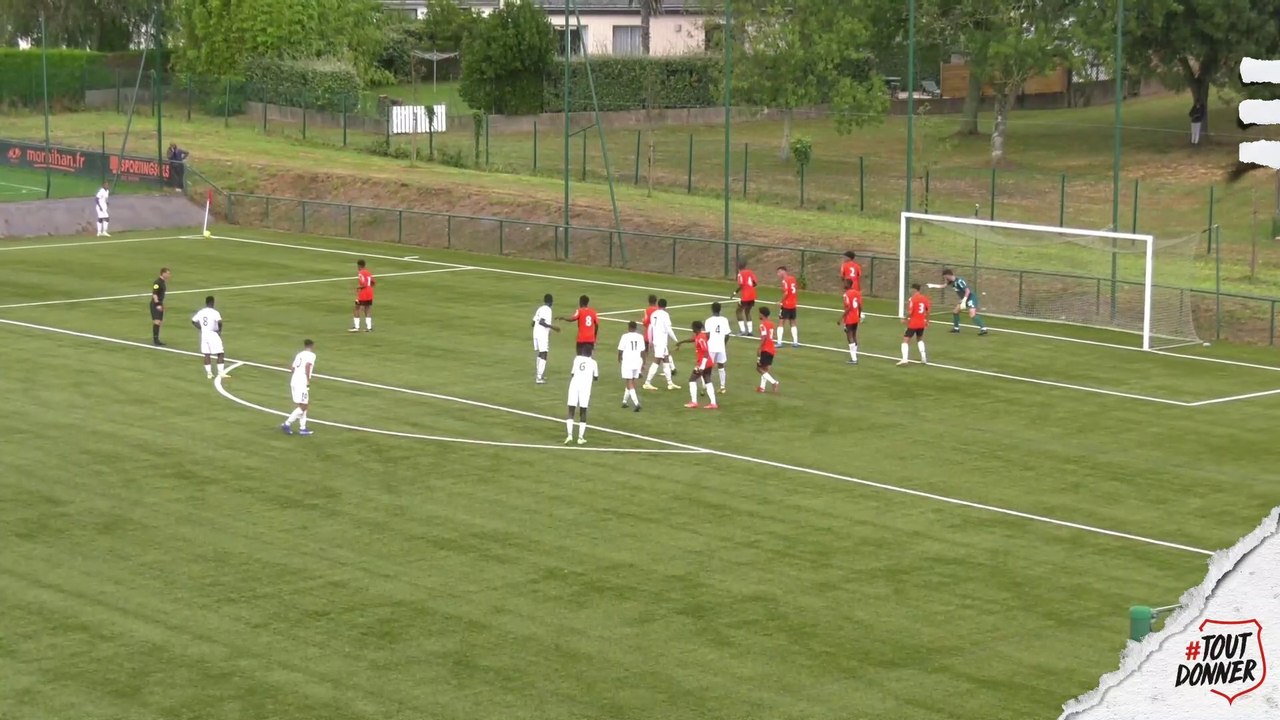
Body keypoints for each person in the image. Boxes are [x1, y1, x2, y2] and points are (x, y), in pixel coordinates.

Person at [676, 320, 718, 409]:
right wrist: (681, 342)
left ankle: (694, 402)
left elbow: (706, 352)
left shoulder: (701, 338)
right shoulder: (699, 336)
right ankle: (713, 403)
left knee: (692, 380)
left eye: (692, 327)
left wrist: (702, 366)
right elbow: (692, 339)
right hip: (708, 362)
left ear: (695, 328)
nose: (691, 329)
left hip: (703, 363)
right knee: (707, 380)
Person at [642, 298, 679, 391]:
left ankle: (670, 383)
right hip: (661, 341)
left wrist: (650, 341)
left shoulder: (654, 314)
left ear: (658, 305)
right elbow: (669, 329)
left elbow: (650, 327)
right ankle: (647, 382)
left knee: (666, 360)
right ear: (666, 306)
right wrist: (676, 340)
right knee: (657, 361)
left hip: (658, 341)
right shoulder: (665, 315)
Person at [282, 339, 317, 436]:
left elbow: (292, 368)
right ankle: (287, 424)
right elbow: (308, 366)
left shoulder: (299, 354)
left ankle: (302, 428)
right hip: (301, 381)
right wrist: (308, 379)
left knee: (303, 404)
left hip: (294, 380)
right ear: (312, 346)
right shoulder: (311, 355)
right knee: (304, 406)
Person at [565, 348, 599, 445]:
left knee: (571, 410)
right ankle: (580, 437)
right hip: (585, 388)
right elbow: (596, 377)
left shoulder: (577, 359)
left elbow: (572, 373)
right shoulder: (593, 363)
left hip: (574, 386)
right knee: (583, 411)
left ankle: (569, 435)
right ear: (591, 352)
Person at [190, 295, 228, 380]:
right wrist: (219, 331)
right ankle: (221, 372)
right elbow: (220, 322)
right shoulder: (214, 312)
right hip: (212, 334)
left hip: (204, 334)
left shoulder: (201, 312)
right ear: (212, 302)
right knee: (220, 353)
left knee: (207, 354)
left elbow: (193, 321)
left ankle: (209, 373)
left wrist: (201, 328)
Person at [941, 268, 988, 334]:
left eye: (945, 277)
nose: (945, 278)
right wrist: (933, 285)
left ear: (948, 275)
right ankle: (956, 328)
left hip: (970, 298)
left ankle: (983, 329)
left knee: (972, 314)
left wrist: (964, 300)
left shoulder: (959, 281)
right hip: (964, 299)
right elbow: (943, 286)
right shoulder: (950, 282)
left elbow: (967, 291)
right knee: (955, 311)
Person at [531, 293, 561, 384]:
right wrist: (553, 327)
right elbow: (541, 322)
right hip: (541, 334)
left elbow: (533, 323)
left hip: (536, 333)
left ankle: (539, 374)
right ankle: (539, 377)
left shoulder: (539, 309)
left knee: (540, 353)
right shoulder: (548, 310)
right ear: (551, 302)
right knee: (544, 353)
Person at [617, 320, 646, 412]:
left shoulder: (625, 336)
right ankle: (624, 401)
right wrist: (644, 363)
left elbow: (620, 349)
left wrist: (619, 358)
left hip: (627, 362)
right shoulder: (640, 337)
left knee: (629, 382)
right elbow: (643, 351)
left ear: (629, 327)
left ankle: (636, 403)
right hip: (637, 361)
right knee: (632, 381)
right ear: (636, 327)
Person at [899, 284, 930, 366]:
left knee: (905, 340)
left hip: (913, 323)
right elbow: (928, 311)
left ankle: (904, 359)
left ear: (914, 289)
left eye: (911, 289)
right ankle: (924, 357)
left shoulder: (913, 299)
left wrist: (905, 318)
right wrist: (927, 321)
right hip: (921, 323)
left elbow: (910, 312)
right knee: (919, 339)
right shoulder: (925, 298)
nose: (910, 291)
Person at [704, 301, 732, 392]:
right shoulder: (724, 320)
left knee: (708, 366)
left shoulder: (708, 320)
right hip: (720, 346)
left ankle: (707, 385)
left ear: (712, 309)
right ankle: (722, 387)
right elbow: (727, 335)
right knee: (721, 365)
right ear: (720, 310)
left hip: (711, 346)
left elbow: (707, 335)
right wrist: (723, 344)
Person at [731, 260, 759, 336]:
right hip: (752, 295)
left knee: (738, 311)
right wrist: (750, 288)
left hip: (745, 296)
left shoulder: (740, 274)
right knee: (747, 311)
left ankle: (742, 330)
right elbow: (755, 283)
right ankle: (750, 331)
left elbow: (741, 285)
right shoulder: (750, 272)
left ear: (738, 266)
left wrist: (735, 292)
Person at [756, 307, 780, 393]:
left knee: (759, 368)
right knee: (765, 369)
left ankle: (774, 382)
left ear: (762, 314)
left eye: (759, 313)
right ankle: (762, 387)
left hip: (765, 349)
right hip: (772, 349)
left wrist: (759, 347)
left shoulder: (762, 324)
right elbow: (774, 336)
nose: (758, 315)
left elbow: (764, 337)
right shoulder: (771, 324)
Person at [838, 279, 862, 365]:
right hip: (856, 317)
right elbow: (860, 306)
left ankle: (854, 359)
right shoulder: (857, 293)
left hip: (849, 318)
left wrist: (841, 318)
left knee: (850, 336)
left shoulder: (846, 295)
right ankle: (855, 355)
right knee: (854, 335)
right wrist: (859, 315)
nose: (843, 284)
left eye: (844, 283)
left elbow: (848, 307)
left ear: (848, 284)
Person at [775, 266, 800, 347]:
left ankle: (779, 342)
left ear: (783, 271)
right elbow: (795, 289)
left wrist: (780, 301)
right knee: (793, 322)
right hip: (793, 304)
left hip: (786, 304)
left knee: (781, 322)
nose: (778, 274)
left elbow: (786, 293)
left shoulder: (785, 281)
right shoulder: (792, 278)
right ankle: (795, 342)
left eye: (779, 272)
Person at [350, 259, 375, 332]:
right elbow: (373, 282)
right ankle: (369, 328)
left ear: (359, 266)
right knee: (367, 309)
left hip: (363, 294)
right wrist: (369, 287)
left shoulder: (360, 273)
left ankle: (356, 327)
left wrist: (358, 287)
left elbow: (363, 284)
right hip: (370, 292)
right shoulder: (368, 272)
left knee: (357, 308)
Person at [149, 267, 171, 346]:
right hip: (155, 304)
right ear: (163, 273)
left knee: (159, 322)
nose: (169, 275)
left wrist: (162, 305)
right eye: (168, 273)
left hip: (159, 303)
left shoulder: (163, 282)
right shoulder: (157, 282)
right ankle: (155, 340)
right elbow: (154, 294)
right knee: (157, 321)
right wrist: (158, 304)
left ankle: (156, 339)